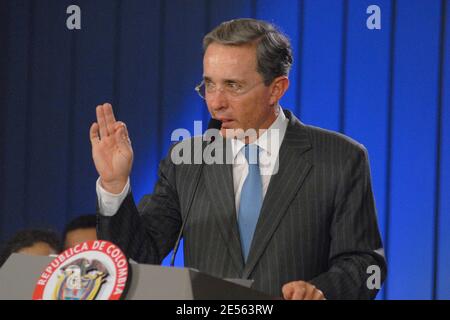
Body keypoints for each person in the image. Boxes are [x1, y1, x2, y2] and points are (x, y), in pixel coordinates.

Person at [90, 18, 387, 300]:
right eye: (209, 84)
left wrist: (322, 291)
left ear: (276, 89)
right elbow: (137, 260)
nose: (216, 102)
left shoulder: (340, 158)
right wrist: (114, 184)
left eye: (233, 86)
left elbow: (366, 263)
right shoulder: (187, 161)